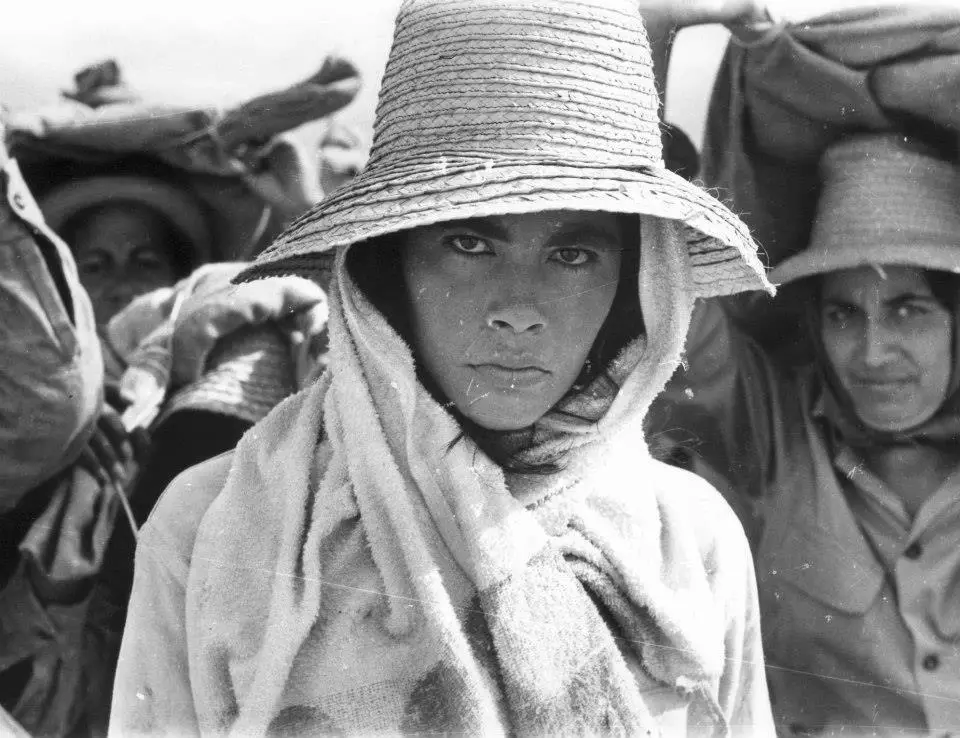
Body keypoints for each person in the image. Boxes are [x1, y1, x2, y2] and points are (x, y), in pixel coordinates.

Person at [110, 1, 775, 735]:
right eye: (469, 243)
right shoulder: (215, 523)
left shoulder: (687, 539)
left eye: (573, 254)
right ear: (385, 267)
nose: (518, 309)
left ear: (636, 287)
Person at [644, 3, 960, 734]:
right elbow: (661, 270)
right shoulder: (776, 434)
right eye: (844, 314)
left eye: (910, 310)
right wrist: (656, 32)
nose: (873, 354)